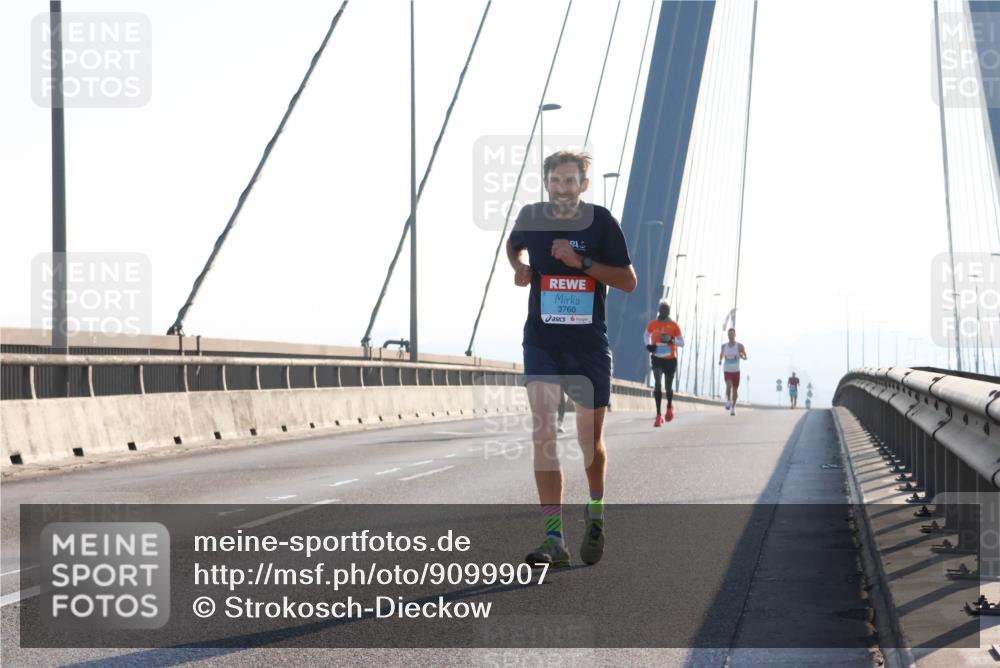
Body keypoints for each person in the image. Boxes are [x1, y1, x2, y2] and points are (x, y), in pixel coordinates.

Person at [506, 150, 636, 568]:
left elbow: (628, 281)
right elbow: (513, 246)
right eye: (555, 181)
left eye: (570, 181)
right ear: (547, 185)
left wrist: (581, 262)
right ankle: (553, 540)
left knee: (589, 444)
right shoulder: (532, 216)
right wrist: (520, 267)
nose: (562, 188)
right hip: (542, 341)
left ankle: (595, 510)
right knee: (544, 434)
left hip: (588, 347)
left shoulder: (601, 223)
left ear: (584, 184)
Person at [644, 301, 683, 426]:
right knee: (657, 384)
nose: (663, 312)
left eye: (666, 310)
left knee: (668, 387)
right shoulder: (652, 324)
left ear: (668, 312)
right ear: (659, 310)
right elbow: (646, 335)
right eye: (662, 310)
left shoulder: (674, 325)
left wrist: (672, 340)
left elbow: (682, 342)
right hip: (657, 358)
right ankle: (658, 415)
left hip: (670, 359)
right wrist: (648, 346)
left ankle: (669, 407)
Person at [718, 328, 747, 416]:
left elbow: (745, 356)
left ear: (735, 335)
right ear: (728, 335)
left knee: (735, 390)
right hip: (727, 370)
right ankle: (728, 401)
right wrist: (720, 360)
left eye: (732, 334)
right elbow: (721, 354)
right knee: (728, 385)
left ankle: (733, 407)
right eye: (729, 334)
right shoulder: (724, 346)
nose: (730, 335)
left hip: (736, 371)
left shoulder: (739, 346)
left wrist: (742, 356)